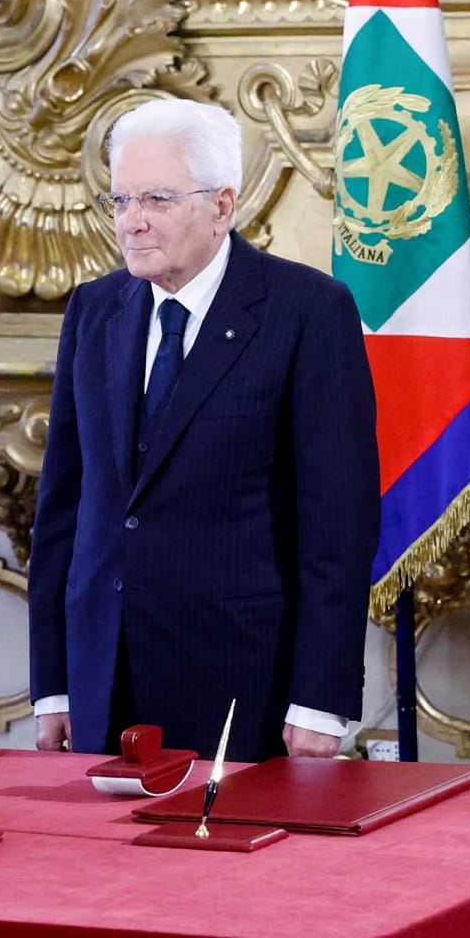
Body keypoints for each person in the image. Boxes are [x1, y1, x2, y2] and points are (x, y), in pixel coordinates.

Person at [28, 98, 380, 764]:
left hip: (244, 683)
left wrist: (320, 700)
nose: (131, 223)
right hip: (104, 674)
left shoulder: (308, 312)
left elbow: (338, 525)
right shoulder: (94, 309)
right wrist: (53, 686)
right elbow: (64, 511)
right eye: (121, 200)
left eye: (157, 199)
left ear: (222, 206)